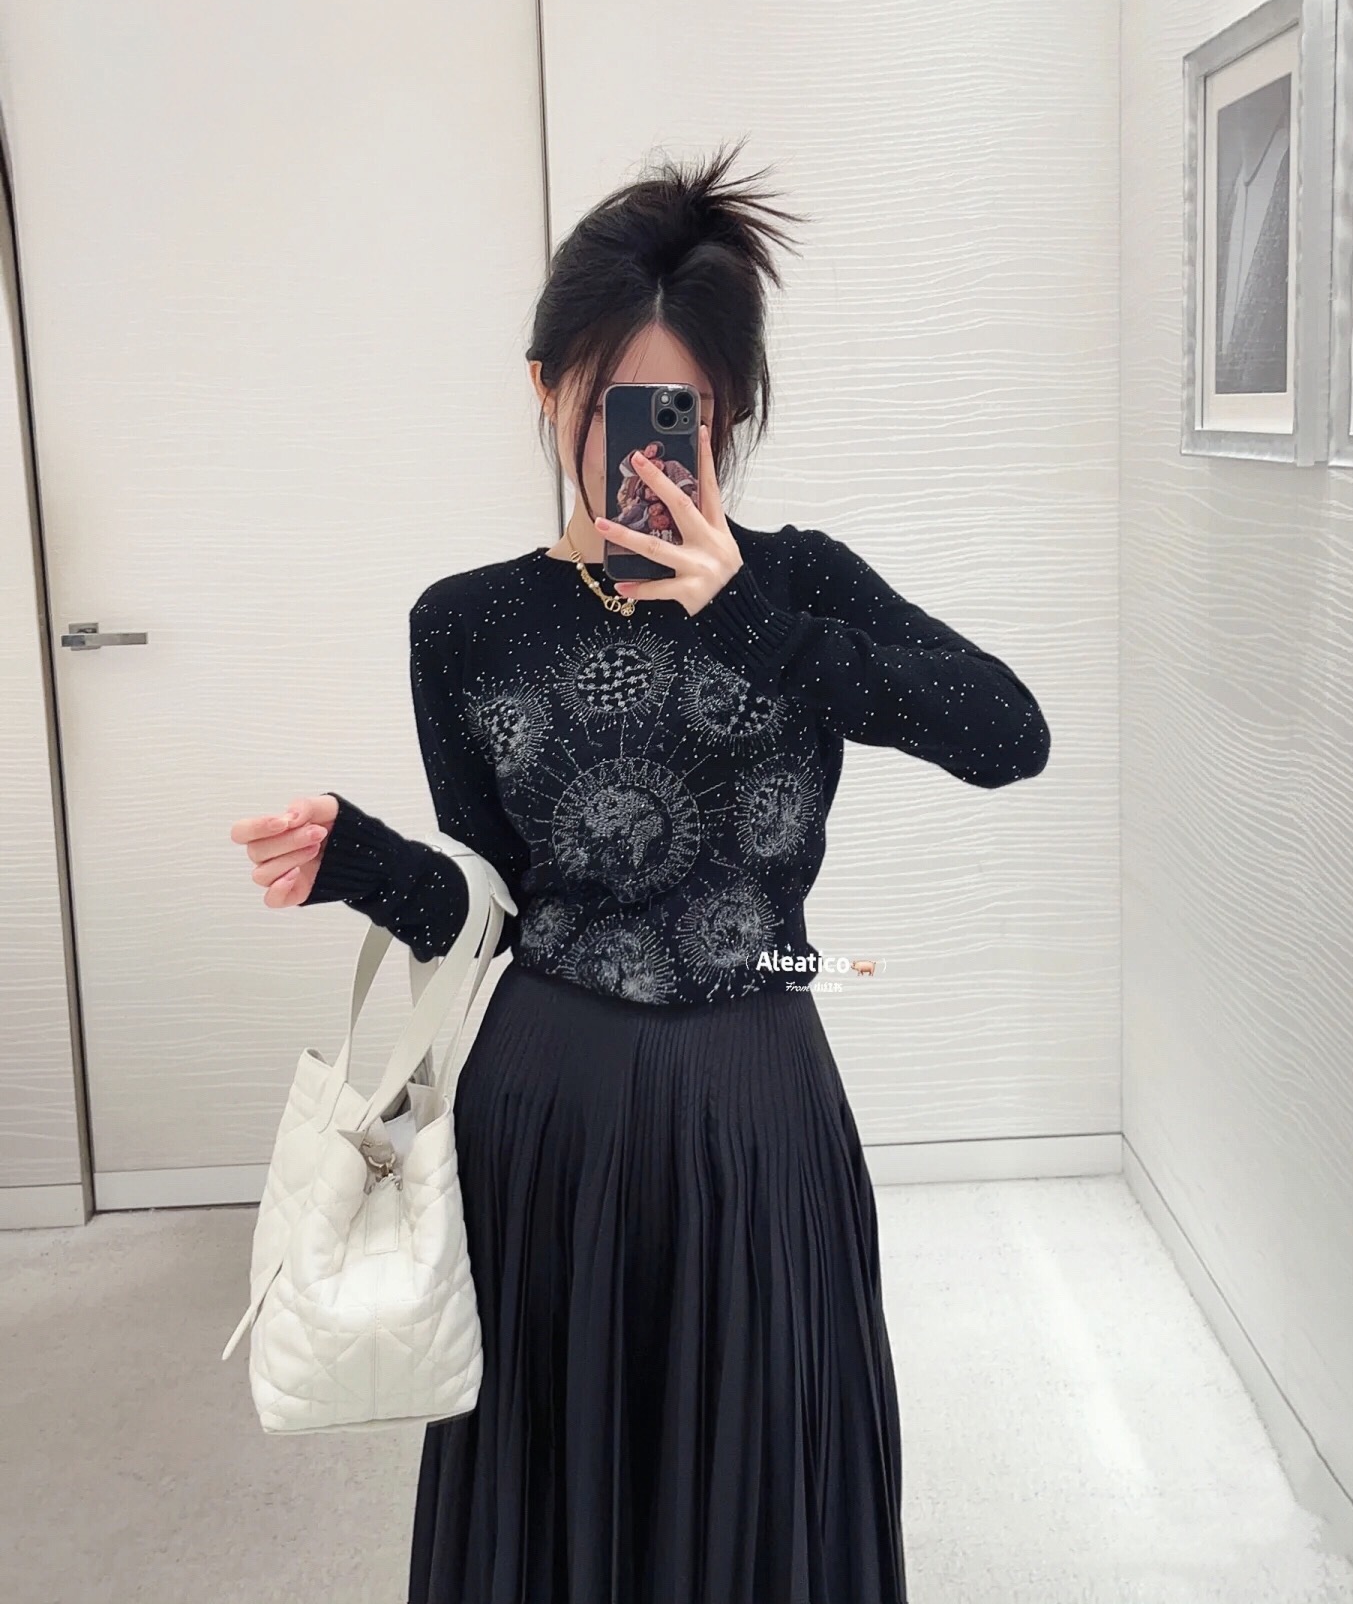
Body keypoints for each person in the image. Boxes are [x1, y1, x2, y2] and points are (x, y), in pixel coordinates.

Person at [232, 141, 1051, 1604]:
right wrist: (360, 861)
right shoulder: (464, 623)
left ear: (728, 412)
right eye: (618, 405)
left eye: (693, 414)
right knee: (565, 1488)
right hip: (551, 1113)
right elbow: (492, 911)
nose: (658, 451)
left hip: (758, 1102)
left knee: (762, 1466)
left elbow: (1009, 735)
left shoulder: (799, 585)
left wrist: (750, 622)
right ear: (547, 388)